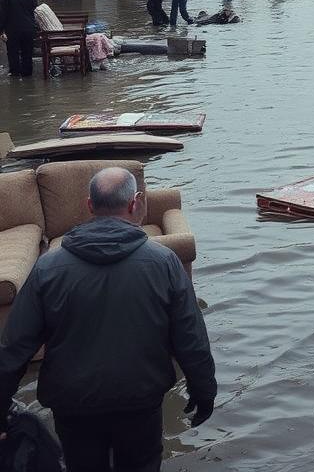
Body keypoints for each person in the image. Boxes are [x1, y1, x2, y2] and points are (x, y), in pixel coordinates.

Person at [0, 167, 217, 470]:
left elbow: (14, 347)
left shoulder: (48, 268)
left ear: (89, 206)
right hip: (140, 403)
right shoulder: (164, 263)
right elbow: (191, 338)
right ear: (136, 203)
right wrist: (204, 390)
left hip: (73, 407)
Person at [0, 0, 39, 77]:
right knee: (28, 52)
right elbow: (34, 11)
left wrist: (1, 30)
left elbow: (4, 15)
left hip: (13, 30)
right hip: (29, 28)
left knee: (13, 53)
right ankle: (27, 74)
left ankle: (15, 74)